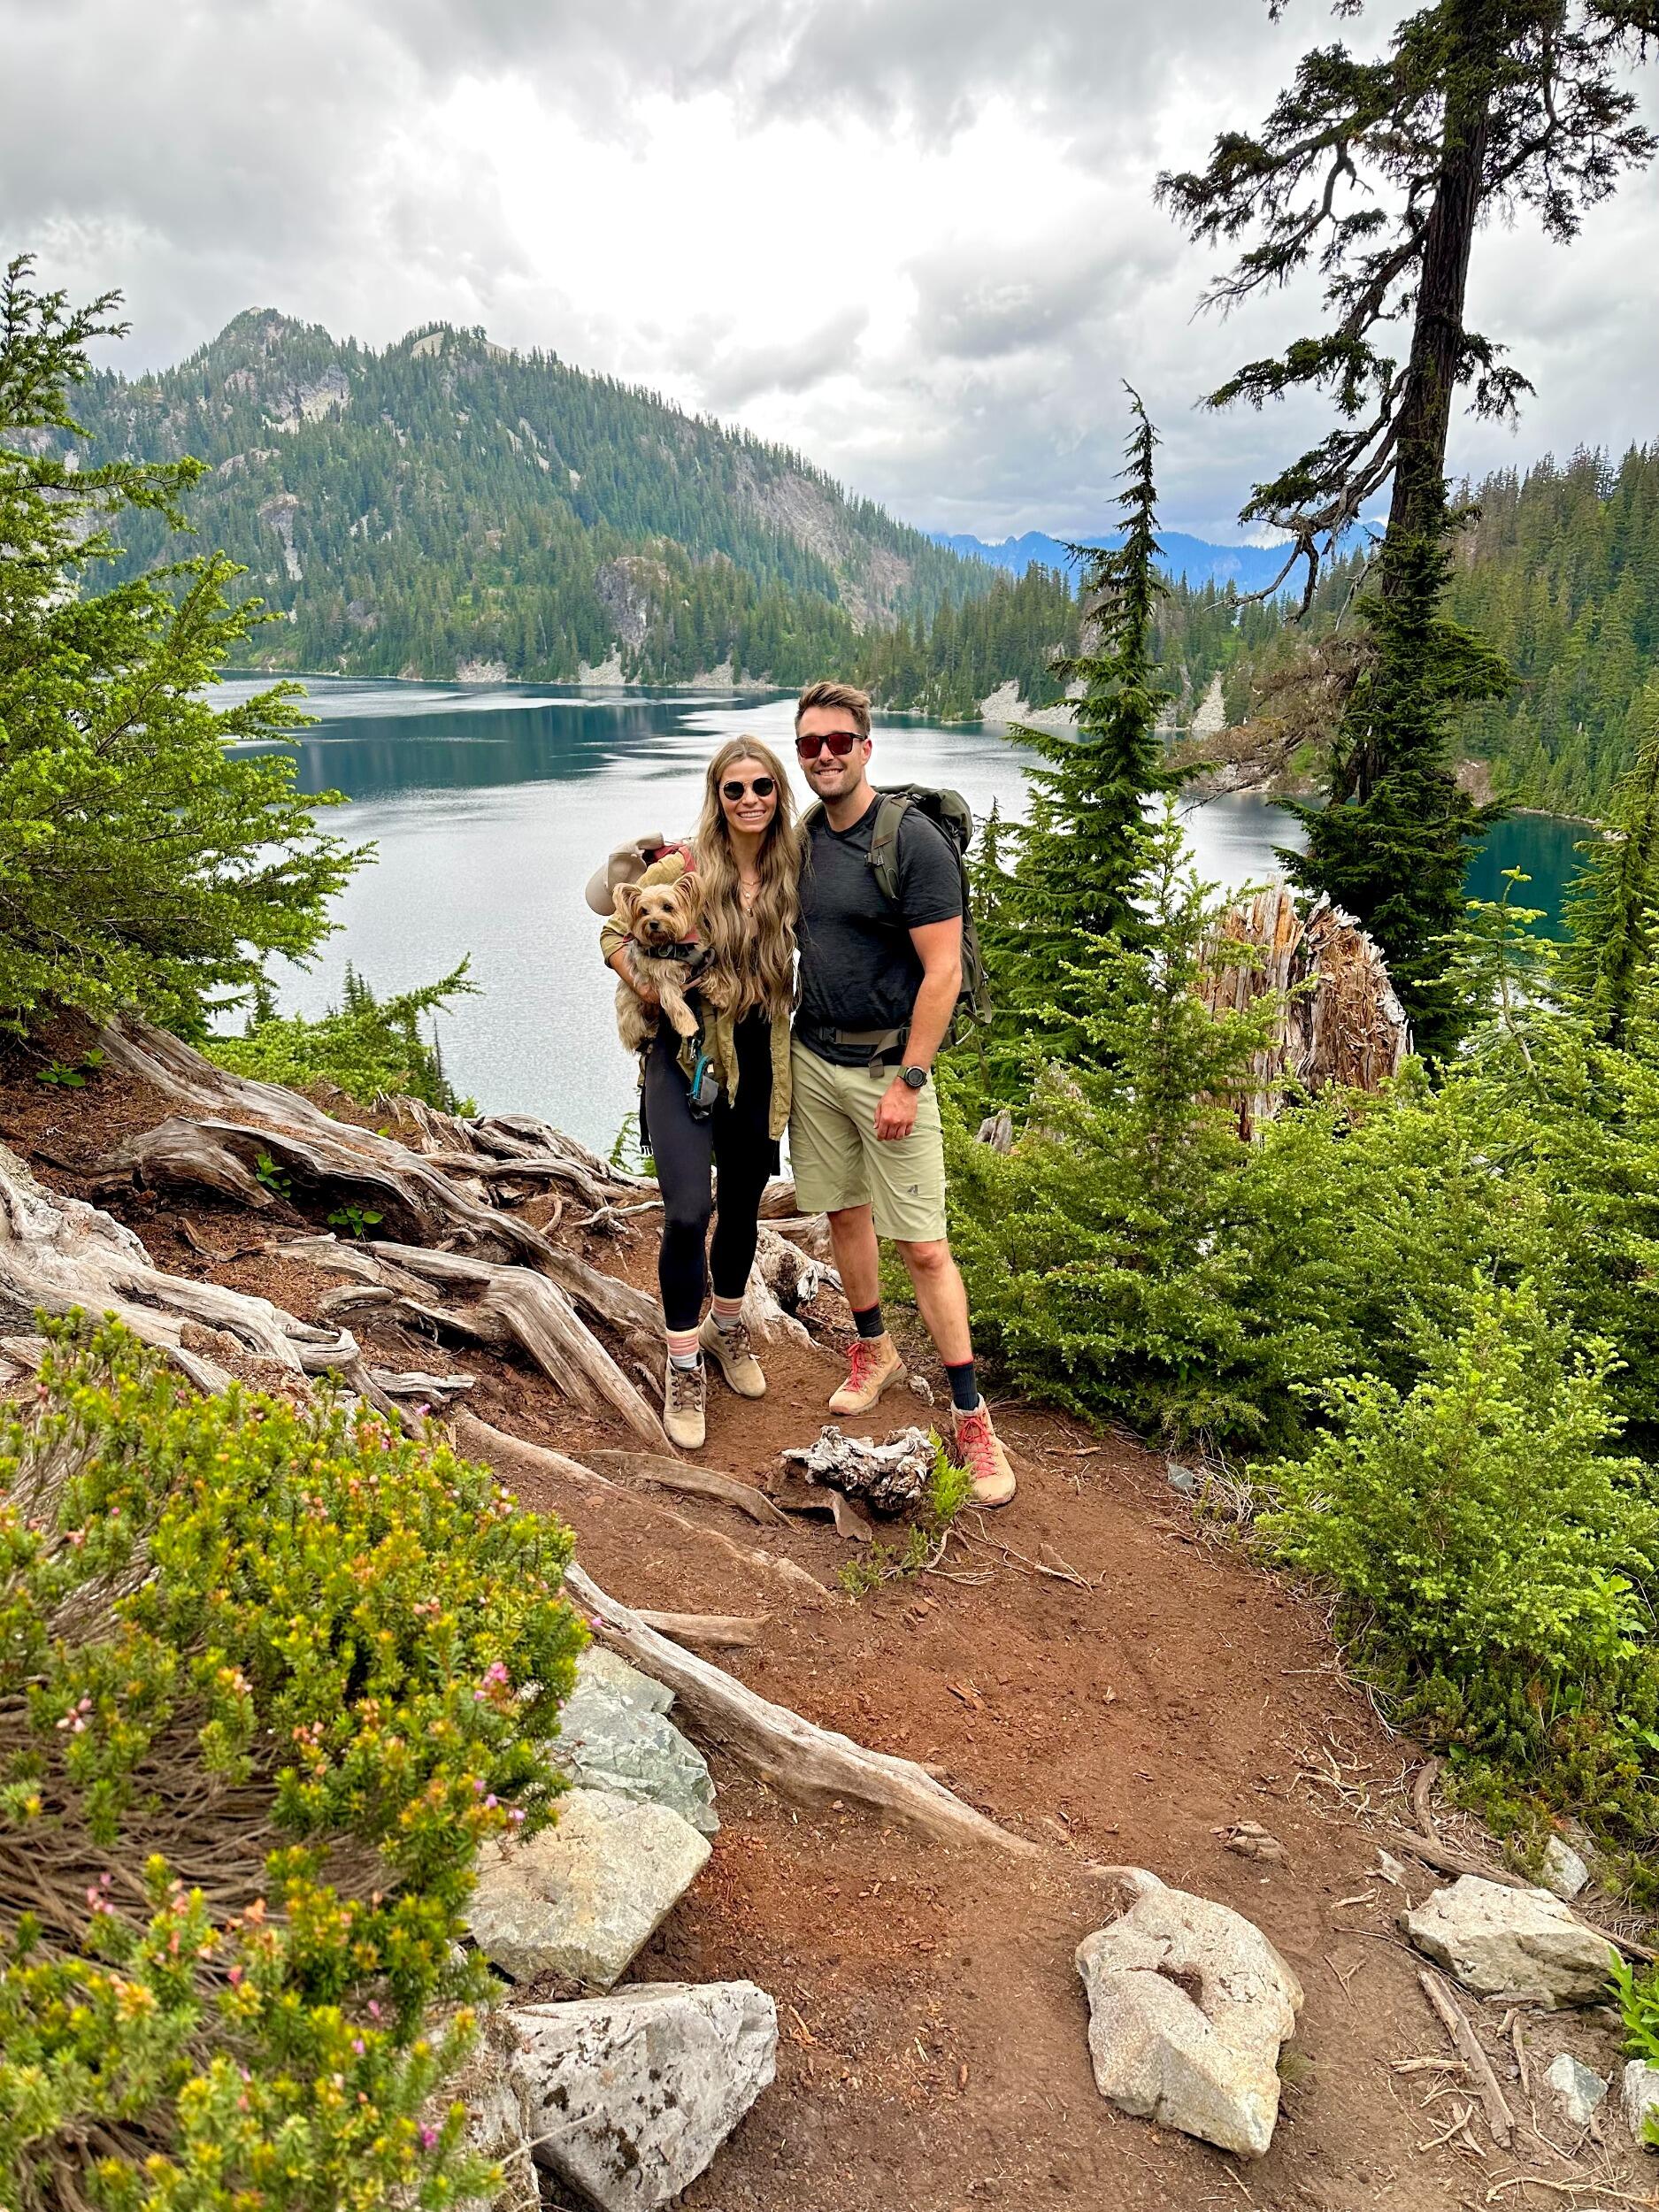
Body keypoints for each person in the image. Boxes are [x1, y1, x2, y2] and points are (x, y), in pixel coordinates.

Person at [788, 680, 1016, 1507]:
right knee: (843, 1215)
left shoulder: (911, 842)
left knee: (922, 1244)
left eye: (838, 742)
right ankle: (873, 1349)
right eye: (809, 744)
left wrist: (911, 1080)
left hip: (891, 1070)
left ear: (866, 748)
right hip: (813, 1061)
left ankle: (970, 1418)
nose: (823, 756)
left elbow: (943, 971)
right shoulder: (802, 839)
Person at [600, 739, 799, 1449]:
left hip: (760, 1057)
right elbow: (611, 931)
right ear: (717, 796)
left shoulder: (794, 868)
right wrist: (647, 984)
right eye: (734, 789)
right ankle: (683, 1361)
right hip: (681, 1054)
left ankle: (727, 1328)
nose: (749, 801)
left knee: (742, 1207)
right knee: (688, 1211)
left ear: (779, 793)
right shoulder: (683, 866)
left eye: (762, 788)